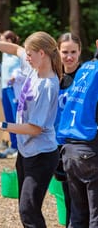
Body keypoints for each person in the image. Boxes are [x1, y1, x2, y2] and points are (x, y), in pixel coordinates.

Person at [0, 31, 61, 228]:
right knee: (25, 209)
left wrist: (2, 125)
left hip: (41, 156)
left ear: (41, 53)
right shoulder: (34, 68)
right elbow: (14, 49)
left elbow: (35, 129)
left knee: (29, 211)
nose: (25, 57)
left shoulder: (47, 85)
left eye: (29, 54)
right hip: (26, 153)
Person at [57, 39, 98, 228]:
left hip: (70, 149)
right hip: (89, 149)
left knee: (77, 214)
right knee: (94, 215)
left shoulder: (85, 69)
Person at [54, 32, 82, 227]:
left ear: (80, 52)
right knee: (68, 196)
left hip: (81, 146)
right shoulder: (54, 76)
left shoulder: (87, 76)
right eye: (65, 52)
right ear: (58, 52)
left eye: (73, 52)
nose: (69, 57)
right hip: (58, 145)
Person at [0, 30, 21, 157]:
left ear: (9, 42)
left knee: (16, 117)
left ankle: (19, 146)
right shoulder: (4, 55)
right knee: (8, 117)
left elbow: (23, 67)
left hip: (14, 89)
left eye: (2, 40)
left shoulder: (17, 53)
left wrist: (14, 76)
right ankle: (13, 145)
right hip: (4, 89)